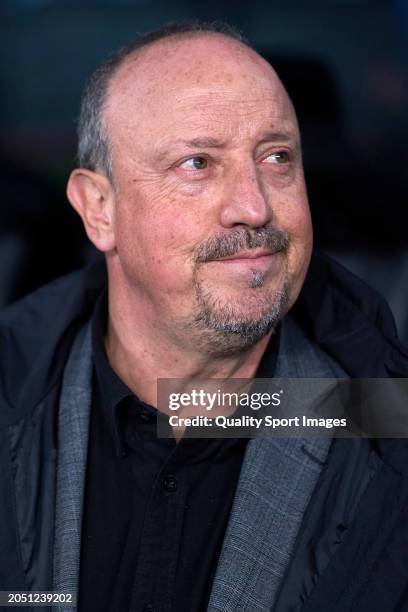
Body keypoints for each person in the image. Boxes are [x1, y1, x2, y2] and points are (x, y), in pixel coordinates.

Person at [0, 20, 407, 612]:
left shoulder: (385, 432)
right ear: (99, 209)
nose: (253, 206)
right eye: (197, 163)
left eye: (276, 156)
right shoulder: (17, 395)